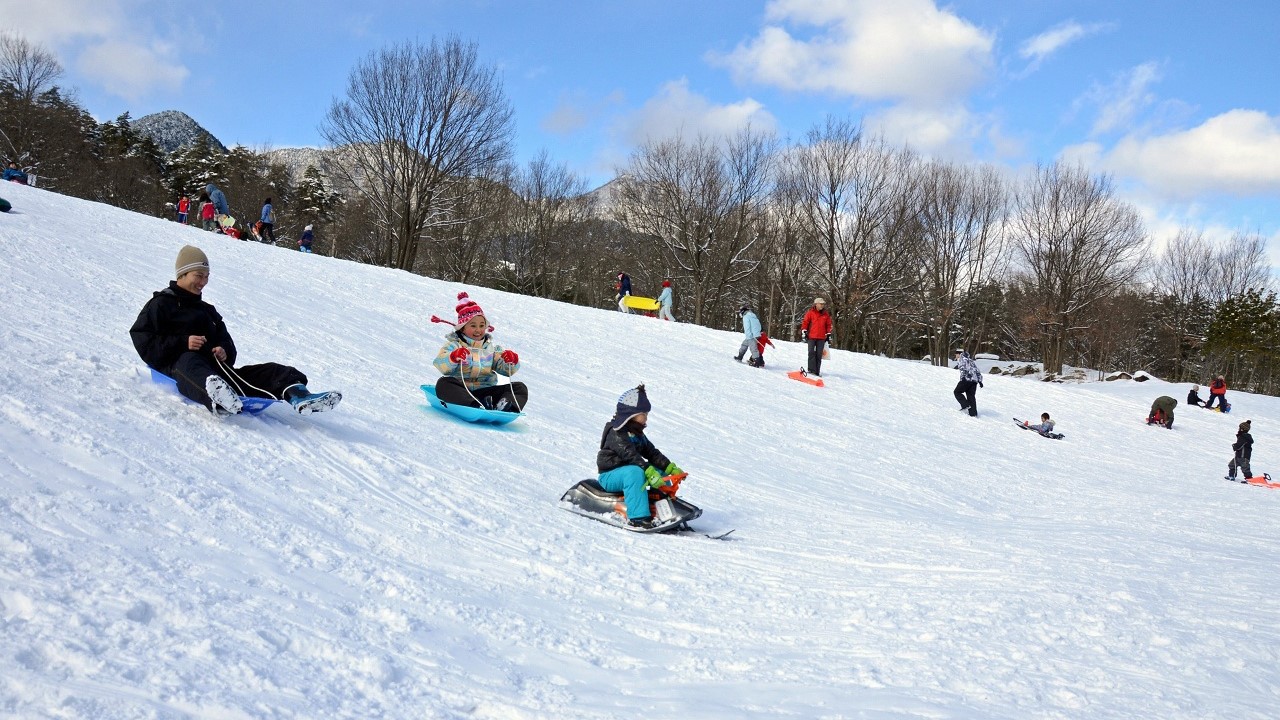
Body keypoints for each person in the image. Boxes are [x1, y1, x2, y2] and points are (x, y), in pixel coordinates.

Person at [130, 245, 342, 416]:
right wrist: (183, 343)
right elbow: (143, 339)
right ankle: (217, 397)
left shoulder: (207, 311)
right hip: (181, 369)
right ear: (183, 274)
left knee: (274, 370)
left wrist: (224, 350)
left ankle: (299, 396)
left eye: (207, 276)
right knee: (189, 361)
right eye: (198, 275)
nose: (203, 282)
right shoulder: (161, 304)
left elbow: (227, 342)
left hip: (219, 372)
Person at [596, 384, 683, 529]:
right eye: (645, 414)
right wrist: (647, 470)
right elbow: (631, 455)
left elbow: (651, 452)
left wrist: (669, 468)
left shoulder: (636, 433)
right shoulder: (616, 432)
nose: (646, 418)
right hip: (610, 476)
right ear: (632, 414)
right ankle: (638, 517)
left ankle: (665, 510)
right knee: (635, 472)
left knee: (659, 472)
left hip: (629, 471)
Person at [430, 292, 527, 411]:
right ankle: (475, 406)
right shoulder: (454, 345)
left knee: (520, 388)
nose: (478, 330)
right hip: (462, 391)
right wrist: (453, 357)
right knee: (443, 384)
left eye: (482, 325)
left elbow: (506, 371)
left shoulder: (491, 349)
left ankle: (506, 406)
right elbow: (441, 364)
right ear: (463, 327)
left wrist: (511, 361)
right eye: (473, 326)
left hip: (486, 391)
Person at [800, 297, 833, 377]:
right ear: (816, 304)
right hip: (811, 336)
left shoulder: (825, 314)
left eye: (823, 304)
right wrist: (804, 330)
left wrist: (828, 333)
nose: (822, 305)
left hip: (821, 338)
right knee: (811, 353)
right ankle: (811, 370)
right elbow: (805, 322)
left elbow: (828, 325)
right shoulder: (810, 313)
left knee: (819, 355)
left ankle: (817, 371)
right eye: (821, 304)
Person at [953, 349, 983, 417]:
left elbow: (964, 368)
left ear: (959, 354)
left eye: (956, 354)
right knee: (971, 396)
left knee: (957, 392)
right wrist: (980, 381)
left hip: (966, 379)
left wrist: (963, 377)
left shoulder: (962, 359)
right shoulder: (970, 360)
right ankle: (973, 413)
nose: (955, 355)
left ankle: (965, 405)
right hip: (974, 381)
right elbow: (977, 370)